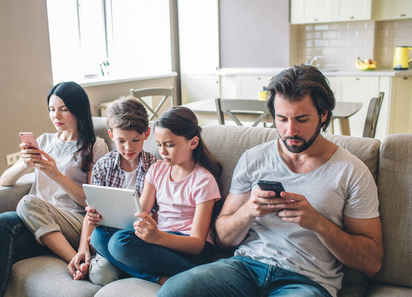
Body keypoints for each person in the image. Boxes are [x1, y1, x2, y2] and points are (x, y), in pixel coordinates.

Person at [158, 64, 384, 297]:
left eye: (302, 119)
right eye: (282, 118)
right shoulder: (254, 158)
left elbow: (372, 262)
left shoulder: (351, 171)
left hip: (305, 282)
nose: (290, 130)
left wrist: (318, 223)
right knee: (173, 291)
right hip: (244, 268)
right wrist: (249, 210)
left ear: (323, 115)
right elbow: (223, 238)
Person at [0, 81, 109, 297]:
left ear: (78, 109)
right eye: (52, 110)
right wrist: (25, 164)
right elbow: (5, 180)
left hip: (71, 221)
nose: (56, 116)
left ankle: (75, 257)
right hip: (36, 220)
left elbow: (91, 201)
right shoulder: (44, 141)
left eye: (63, 109)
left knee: (26, 202)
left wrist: (57, 175)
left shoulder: (94, 145)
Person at [87, 106, 223, 285]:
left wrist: (157, 236)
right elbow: (138, 214)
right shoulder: (157, 169)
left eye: (170, 145)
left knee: (120, 243)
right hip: (160, 241)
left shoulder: (203, 180)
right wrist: (103, 216)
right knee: (98, 236)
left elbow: (197, 244)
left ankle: (188, 275)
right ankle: (159, 278)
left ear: (193, 142)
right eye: (159, 145)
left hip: (188, 250)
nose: (163, 152)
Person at [67, 96, 158, 283]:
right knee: (99, 275)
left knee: (112, 245)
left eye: (135, 140)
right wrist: (83, 248)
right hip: (108, 237)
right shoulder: (103, 166)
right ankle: (124, 267)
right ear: (111, 135)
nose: (128, 147)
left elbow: (161, 214)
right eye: (121, 141)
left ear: (146, 133)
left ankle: (135, 269)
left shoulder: (155, 167)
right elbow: (91, 213)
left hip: (140, 240)